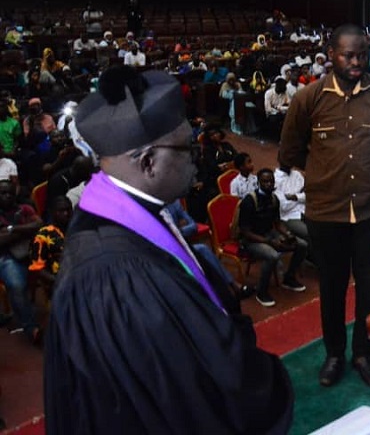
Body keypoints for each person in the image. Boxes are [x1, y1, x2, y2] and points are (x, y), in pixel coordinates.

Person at [43, 66, 293, 434]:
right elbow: (187, 386)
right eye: (187, 148)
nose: (196, 158)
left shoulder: (135, 211)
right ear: (148, 161)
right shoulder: (114, 272)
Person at [279, 24, 370, 388]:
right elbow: (290, 152)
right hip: (326, 212)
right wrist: (325, 173)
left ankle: (363, 354)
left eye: (362, 55)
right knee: (332, 286)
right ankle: (334, 354)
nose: (356, 62)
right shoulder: (308, 98)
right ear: (331, 55)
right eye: (348, 55)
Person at [236, 168, 309, 308]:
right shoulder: (249, 201)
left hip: (269, 234)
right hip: (251, 240)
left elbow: (277, 224)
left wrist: (287, 234)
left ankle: (288, 278)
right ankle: (261, 291)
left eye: (271, 181)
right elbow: (245, 232)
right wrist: (269, 242)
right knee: (272, 255)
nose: (268, 184)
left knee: (302, 245)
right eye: (265, 182)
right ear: (259, 183)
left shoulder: (274, 199)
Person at [0, 179, 42, 344]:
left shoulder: (25, 208)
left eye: (10, 193)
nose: (7, 196)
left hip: (30, 253)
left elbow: (39, 224)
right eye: (3, 193)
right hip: (6, 257)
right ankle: (31, 328)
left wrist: (11, 230)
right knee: (17, 284)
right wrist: (25, 231)